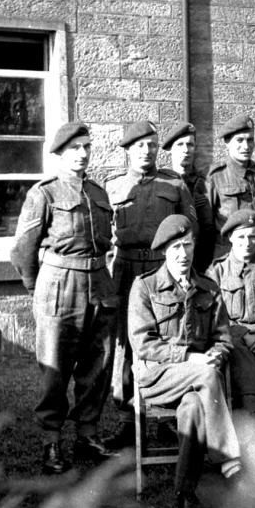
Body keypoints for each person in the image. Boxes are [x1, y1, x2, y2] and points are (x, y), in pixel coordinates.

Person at [11, 123, 118, 474]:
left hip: (99, 283)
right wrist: (37, 287)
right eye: (75, 149)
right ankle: (51, 441)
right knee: (54, 367)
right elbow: (23, 249)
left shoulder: (99, 193)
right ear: (59, 154)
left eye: (87, 147)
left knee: (97, 366)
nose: (83, 154)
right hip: (60, 284)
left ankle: (87, 434)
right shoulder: (44, 194)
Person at [128, 215, 241, 508]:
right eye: (176, 247)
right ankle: (227, 458)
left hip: (197, 385)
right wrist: (193, 359)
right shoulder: (145, 287)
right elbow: (144, 345)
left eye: (187, 245)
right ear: (164, 251)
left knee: (192, 409)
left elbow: (223, 338)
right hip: (158, 376)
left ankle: (185, 493)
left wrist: (217, 353)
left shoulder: (208, 287)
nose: (183, 253)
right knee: (206, 373)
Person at [105, 121, 197, 448]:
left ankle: (167, 416)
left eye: (152, 145)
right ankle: (127, 420)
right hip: (125, 267)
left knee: (167, 334)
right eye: (140, 146)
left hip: (163, 267)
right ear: (128, 150)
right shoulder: (113, 186)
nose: (147, 151)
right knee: (124, 342)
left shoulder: (174, 185)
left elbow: (190, 229)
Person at [206, 209, 255, 420]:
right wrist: (242, 333)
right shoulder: (217, 272)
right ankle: (253, 412)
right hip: (233, 340)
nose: (247, 242)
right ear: (231, 237)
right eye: (241, 236)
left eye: (252, 236)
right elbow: (213, 319)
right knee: (240, 349)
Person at [207, 115, 255, 259]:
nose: (246, 146)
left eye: (250, 140)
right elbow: (206, 226)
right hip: (228, 257)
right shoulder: (215, 177)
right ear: (227, 142)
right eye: (240, 140)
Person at [162, 121, 214, 270]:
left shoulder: (206, 182)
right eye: (180, 145)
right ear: (169, 149)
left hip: (201, 260)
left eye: (190, 145)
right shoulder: (163, 183)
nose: (186, 150)